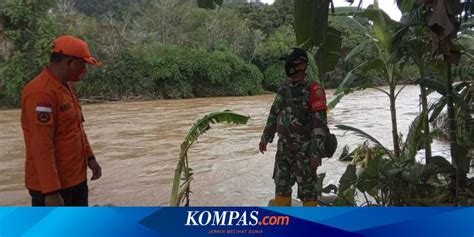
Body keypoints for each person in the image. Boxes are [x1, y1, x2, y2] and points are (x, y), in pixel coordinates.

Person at [21, 35, 102, 206]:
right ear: (71, 62)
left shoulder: (66, 87)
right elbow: (41, 145)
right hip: (53, 187)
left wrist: (90, 158)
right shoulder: (41, 93)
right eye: (83, 65)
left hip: (75, 178)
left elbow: (76, 127)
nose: (84, 71)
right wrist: (51, 192)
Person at [259, 47, 328, 207]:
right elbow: (274, 113)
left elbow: (320, 124)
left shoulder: (314, 89)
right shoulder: (285, 88)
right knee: (281, 186)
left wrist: (316, 153)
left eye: (291, 62)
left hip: (305, 150)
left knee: (308, 190)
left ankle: (309, 228)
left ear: (302, 65)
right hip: (284, 148)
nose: (288, 65)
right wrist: (266, 137)